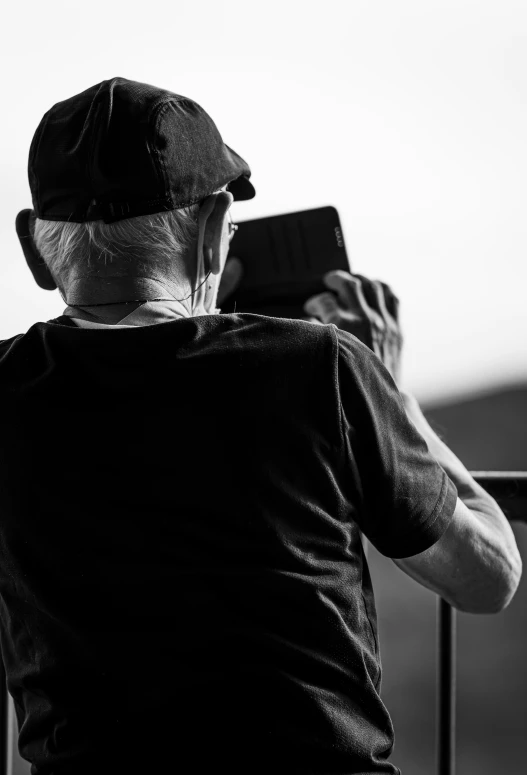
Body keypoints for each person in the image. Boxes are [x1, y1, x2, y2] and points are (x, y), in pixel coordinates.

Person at [3, 76, 521, 775]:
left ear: (35, 248)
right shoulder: (320, 368)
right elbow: (487, 575)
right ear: (214, 232)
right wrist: (388, 389)